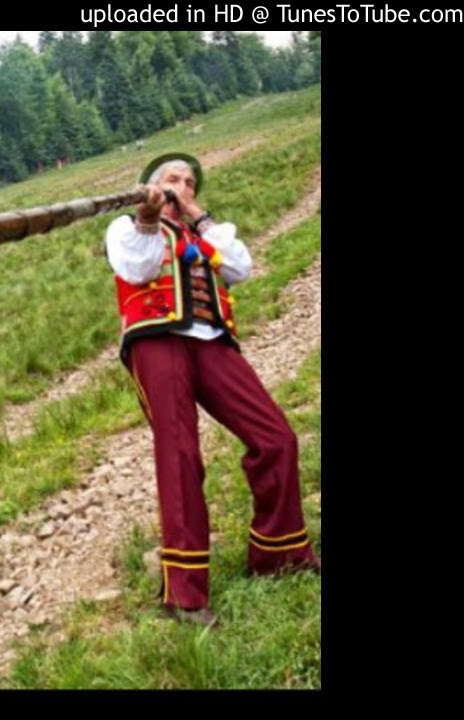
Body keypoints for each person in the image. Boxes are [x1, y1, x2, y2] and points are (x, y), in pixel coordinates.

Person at [104, 153, 320, 626]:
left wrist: (200, 216)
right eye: (171, 179)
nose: (181, 186)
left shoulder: (205, 234)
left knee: (276, 437)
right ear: (150, 186)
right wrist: (147, 216)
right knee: (181, 454)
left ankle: (278, 554)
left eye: (189, 181)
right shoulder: (127, 227)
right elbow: (137, 270)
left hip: (212, 341)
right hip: (158, 341)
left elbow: (240, 268)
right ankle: (184, 595)